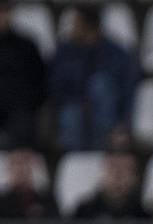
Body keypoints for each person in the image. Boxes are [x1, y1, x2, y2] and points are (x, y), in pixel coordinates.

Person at [48, 4, 138, 151]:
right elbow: (56, 87)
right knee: (72, 115)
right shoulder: (64, 52)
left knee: (100, 84)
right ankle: (76, 158)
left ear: (88, 25)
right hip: (73, 109)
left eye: (75, 23)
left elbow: (127, 91)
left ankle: (103, 146)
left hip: (106, 116)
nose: (71, 28)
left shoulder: (117, 54)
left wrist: (123, 125)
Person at [0, 0, 47, 150]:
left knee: (24, 130)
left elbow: (40, 78)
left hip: (19, 106)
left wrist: (29, 102)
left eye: (5, 12)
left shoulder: (26, 45)